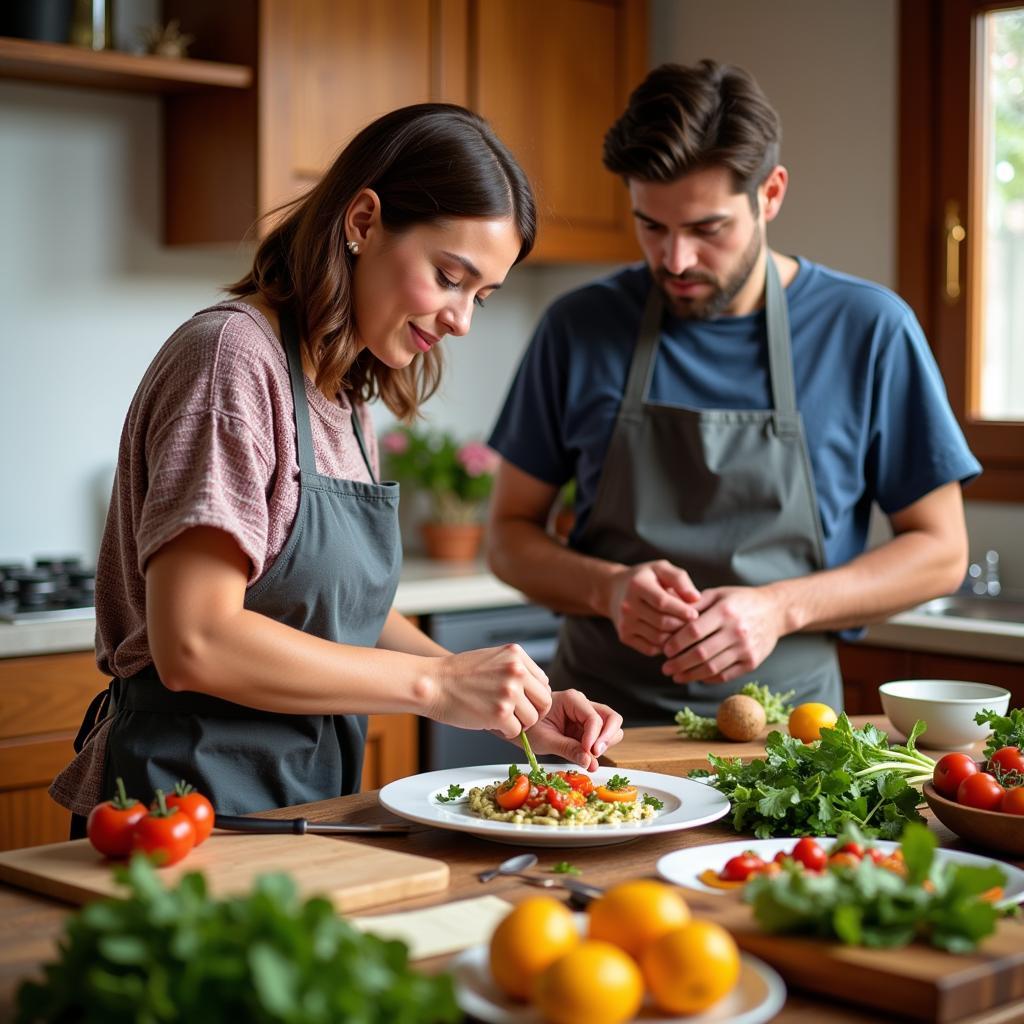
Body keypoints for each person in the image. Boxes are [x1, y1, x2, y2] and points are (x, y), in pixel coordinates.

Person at [52, 103, 624, 830]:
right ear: (362, 222)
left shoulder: (344, 388)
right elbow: (195, 641)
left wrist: (511, 706)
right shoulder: (232, 361)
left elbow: (340, 605)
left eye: (481, 294)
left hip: (300, 801)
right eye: (450, 276)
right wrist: (435, 683)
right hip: (181, 805)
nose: (463, 320)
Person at [486, 61, 980, 725]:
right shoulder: (579, 327)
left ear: (770, 195)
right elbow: (508, 536)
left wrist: (781, 607)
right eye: (652, 227)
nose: (677, 260)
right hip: (596, 738)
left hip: (795, 745)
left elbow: (942, 551)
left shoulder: (868, 330)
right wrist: (606, 589)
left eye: (707, 229)